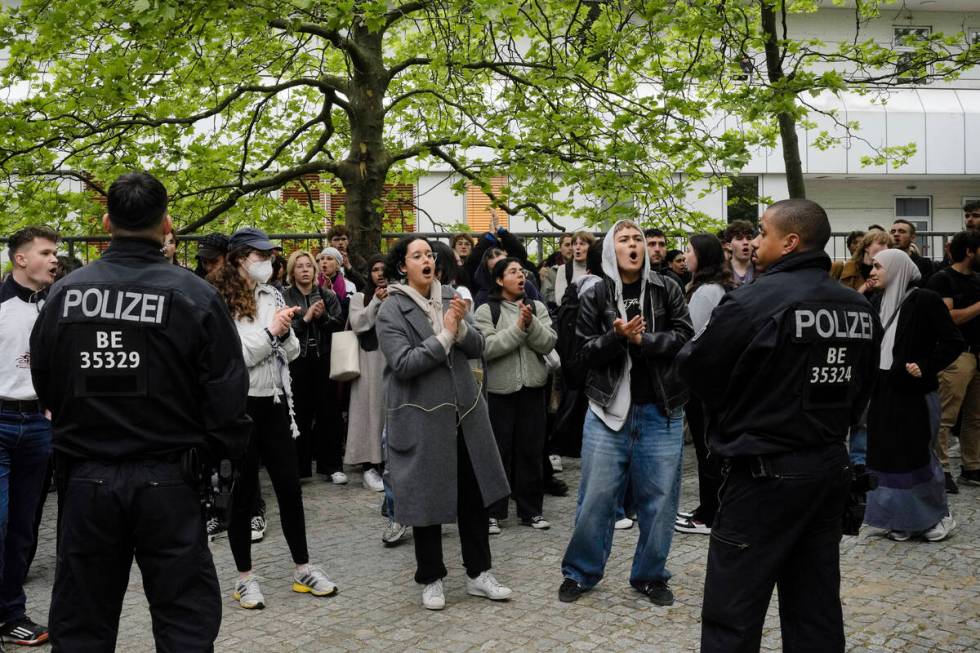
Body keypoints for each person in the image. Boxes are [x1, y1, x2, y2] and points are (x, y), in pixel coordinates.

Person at [30, 172, 251, 651]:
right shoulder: (194, 296)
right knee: (184, 623)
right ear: (167, 224)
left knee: (82, 622)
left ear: (107, 222)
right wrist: (218, 469)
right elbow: (228, 399)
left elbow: (46, 384)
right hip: (169, 482)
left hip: (88, 481)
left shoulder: (65, 296)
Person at [678, 199, 880, 653]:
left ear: (790, 242)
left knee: (733, 612)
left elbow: (696, 369)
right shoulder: (859, 309)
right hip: (828, 469)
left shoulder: (753, 301)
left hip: (763, 475)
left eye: (762, 233)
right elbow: (861, 393)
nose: (751, 242)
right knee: (815, 607)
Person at [558, 220, 693, 607]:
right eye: (624, 240)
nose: (633, 245)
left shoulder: (666, 287)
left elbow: (686, 338)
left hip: (661, 410)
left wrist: (644, 341)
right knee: (596, 498)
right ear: (610, 250)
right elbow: (582, 352)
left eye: (637, 239)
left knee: (661, 500)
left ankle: (650, 576)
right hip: (607, 410)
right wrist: (617, 338)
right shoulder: (596, 293)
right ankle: (580, 573)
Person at [376, 235, 512, 611]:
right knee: (426, 499)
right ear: (402, 266)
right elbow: (403, 364)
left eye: (429, 254)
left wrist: (461, 327)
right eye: (416, 255)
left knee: (473, 496)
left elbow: (480, 347)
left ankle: (478, 573)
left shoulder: (453, 295)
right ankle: (431, 577)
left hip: (464, 414)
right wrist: (445, 335)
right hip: (421, 418)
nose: (426, 260)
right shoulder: (391, 309)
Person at [211, 227, 339, 610]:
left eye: (269, 255)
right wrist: (272, 333)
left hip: (276, 401)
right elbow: (235, 356)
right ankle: (244, 578)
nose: (267, 261)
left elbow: (294, 350)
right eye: (259, 255)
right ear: (238, 258)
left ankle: (303, 568)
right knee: (244, 493)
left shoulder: (273, 294)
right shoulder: (219, 301)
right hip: (240, 407)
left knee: (289, 488)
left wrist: (281, 335)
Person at [862, 249, 963, 542]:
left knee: (915, 455)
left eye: (878, 266)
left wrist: (926, 366)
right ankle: (899, 519)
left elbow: (952, 341)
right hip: (883, 390)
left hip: (912, 392)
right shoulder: (877, 301)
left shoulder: (924, 299)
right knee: (885, 456)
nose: (873, 271)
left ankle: (934, 516)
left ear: (896, 269)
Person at [0, 227, 58, 647]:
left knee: (23, 527)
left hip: (38, 424)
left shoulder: (53, 307)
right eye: (46, 252)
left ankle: (10, 614)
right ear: (21, 259)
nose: (55, 259)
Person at [475, 258, 558, 533]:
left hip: (533, 389)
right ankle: (493, 513)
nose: (521, 276)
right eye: (513, 272)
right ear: (499, 280)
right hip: (500, 392)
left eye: (522, 272)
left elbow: (548, 342)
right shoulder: (487, 309)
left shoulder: (538, 307)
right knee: (498, 451)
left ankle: (531, 511)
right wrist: (519, 328)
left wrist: (530, 323)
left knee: (531, 451)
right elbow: (487, 347)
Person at [674, 234, 734, 537]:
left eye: (690, 251)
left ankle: (709, 513)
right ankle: (706, 508)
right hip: (717, 383)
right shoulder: (716, 288)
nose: (685, 256)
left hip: (704, 385)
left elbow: (693, 340)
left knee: (707, 450)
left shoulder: (705, 292)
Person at [282, 250, 343, 481]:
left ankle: (333, 467)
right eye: (300, 266)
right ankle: (299, 468)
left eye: (309, 265)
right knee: (299, 413)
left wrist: (323, 317)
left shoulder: (327, 296)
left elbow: (338, 326)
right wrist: (306, 318)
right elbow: (284, 330)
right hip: (297, 360)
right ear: (292, 271)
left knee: (329, 413)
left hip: (323, 358)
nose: (305, 269)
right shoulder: (285, 296)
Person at [928, 230, 980, 492]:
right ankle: (942, 469)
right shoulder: (942, 279)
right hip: (955, 357)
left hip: (977, 355)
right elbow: (949, 318)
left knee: (975, 417)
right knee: (945, 417)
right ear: (970, 251)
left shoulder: (978, 280)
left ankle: (972, 467)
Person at [345, 255, 388, 494]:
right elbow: (358, 323)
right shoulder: (360, 297)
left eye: (384, 269)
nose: (380, 274)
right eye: (374, 269)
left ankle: (388, 464)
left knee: (389, 412)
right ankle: (369, 466)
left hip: (393, 359)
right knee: (368, 412)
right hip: (369, 360)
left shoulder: (399, 293)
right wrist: (375, 303)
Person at [839, 229, 893, 294]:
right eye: (881, 243)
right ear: (867, 247)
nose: (886, 248)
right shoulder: (850, 268)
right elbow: (844, 298)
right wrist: (865, 287)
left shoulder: (888, 269)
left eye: (889, 245)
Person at [552, 231, 595, 308]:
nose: (577, 247)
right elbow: (560, 301)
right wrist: (580, 284)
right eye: (575, 244)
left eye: (582, 244)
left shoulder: (597, 268)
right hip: (572, 317)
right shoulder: (563, 269)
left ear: (591, 247)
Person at [326, 224, 367, 290]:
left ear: (348, 241)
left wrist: (349, 267)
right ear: (330, 242)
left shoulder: (357, 260)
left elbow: (364, 285)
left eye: (343, 239)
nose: (340, 242)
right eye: (336, 239)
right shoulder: (324, 260)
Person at [540, 233, 573, 306]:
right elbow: (546, 296)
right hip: (557, 311)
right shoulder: (549, 270)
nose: (571, 248)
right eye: (567, 245)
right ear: (560, 248)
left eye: (573, 244)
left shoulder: (583, 267)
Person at [722, 220, 756, 286]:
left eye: (749, 238)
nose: (745, 242)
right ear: (729, 246)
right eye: (739, 239)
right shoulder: (721, 272)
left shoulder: (761, 270)